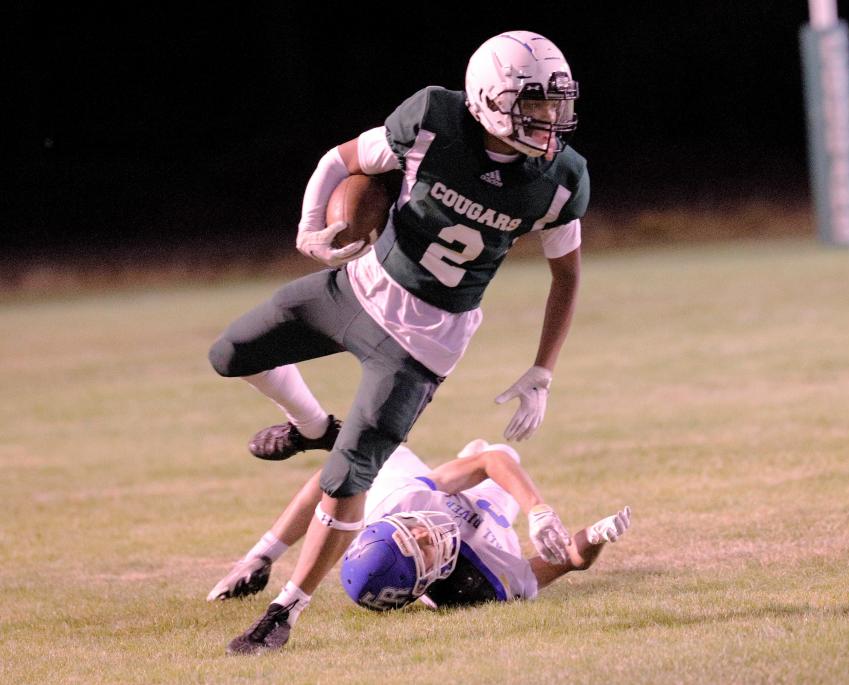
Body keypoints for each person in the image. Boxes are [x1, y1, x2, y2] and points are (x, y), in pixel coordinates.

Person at [207, 29, 589, 653]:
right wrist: (309, 229)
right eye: (535, 105)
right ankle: (308, 424)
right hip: (357, 288)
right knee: (230, 354)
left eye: (556, 104)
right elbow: (342, 160)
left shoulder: (561, 179)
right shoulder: (434, 118)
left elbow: (566, 276)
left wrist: (543, 369)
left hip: (423, 343)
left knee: (347, 477)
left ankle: (284, 612)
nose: (550, 120)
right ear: (488, 99)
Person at [212, 438, 631, 654]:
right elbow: (563, 562)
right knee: (501, 453)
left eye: (411, 530)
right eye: (423, 547)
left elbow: (329, 484)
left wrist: (265, 552)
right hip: (488, 515)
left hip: (419, 487)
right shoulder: (481, 583)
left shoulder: (395, 501)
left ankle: (461, 465)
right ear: (422, 583)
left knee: (359, 461)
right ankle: (468, 466)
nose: (429, 530)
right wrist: (594, 538)